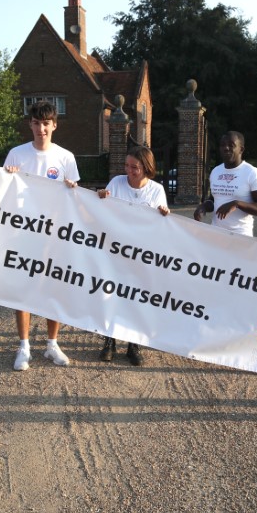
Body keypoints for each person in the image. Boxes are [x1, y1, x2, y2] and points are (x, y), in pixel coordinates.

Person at [3, 100, 80, 371]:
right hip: (24, 232)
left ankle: (51, 344)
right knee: (23, 289)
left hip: (55, 234)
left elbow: (74, 199)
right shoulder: (16, 154)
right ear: (30, 125)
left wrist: (72, 188)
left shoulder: (65, 157)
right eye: (36, 123)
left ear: (54, 125)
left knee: (54, 287)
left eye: (46, 123)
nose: (41, 129)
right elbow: (3, 196)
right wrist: (7, 178)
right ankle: (24, 346)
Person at [96, 146, 171, 366]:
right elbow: (102, 208)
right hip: (116, 251)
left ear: (146, 168)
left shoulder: (156, 190)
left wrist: (164, 215)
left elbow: (162, 225)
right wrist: (100, 197)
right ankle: (109, 340)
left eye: (134, 167)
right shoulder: (117, 183)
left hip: (142, 255)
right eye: (127, 166)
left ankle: (132, 344)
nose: (129, 170)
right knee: (111, 295)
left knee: (136, 298)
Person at [193, 131, 257, 236]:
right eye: (223, 145)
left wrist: (236, 204)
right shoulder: (216, 171)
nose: (226, 148)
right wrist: (203, 207)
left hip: (240, 236)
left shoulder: (252, 173)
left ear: (241, 149)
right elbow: (214, 199)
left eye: (231, 145)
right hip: (216, 234)